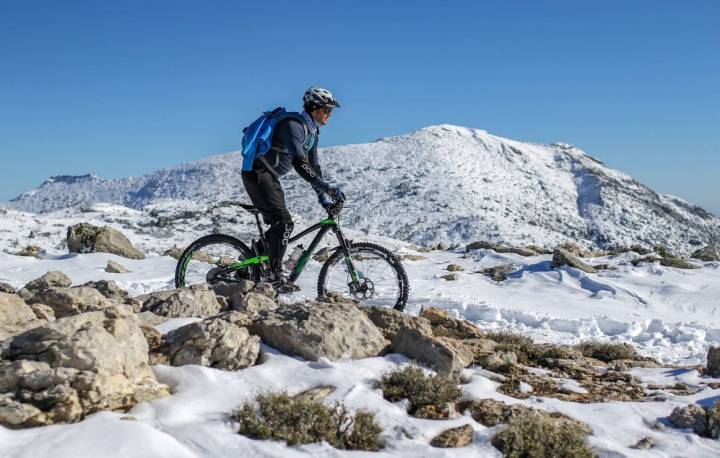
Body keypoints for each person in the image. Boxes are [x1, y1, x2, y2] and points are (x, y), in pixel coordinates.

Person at [241, 87, 344, 289]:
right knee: (284, 221)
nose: (330, 114)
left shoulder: (312, 132)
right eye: (327, 110)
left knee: (281, 224)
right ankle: (274, 275)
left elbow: (313, 167)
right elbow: (299, 161)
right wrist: (326, 187)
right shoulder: (294, 125)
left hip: (268, 176)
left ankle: (247, 267)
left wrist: (323, 198)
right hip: (257, 173)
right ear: (315, 108)